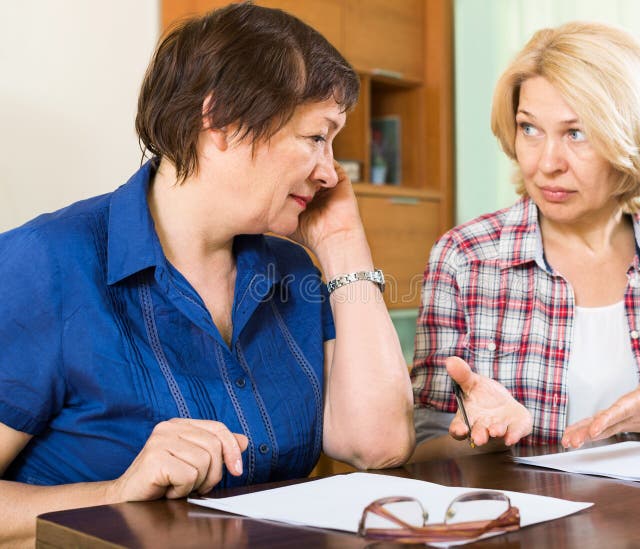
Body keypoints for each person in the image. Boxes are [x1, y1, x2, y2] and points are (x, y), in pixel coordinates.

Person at [0, 4, 414, 544]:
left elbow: (377, 444)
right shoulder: (45, 264)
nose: (331, 172)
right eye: (316, 137)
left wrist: (343, 246)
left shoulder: (291, 269)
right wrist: (114, 494)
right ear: (221, 122)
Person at [410, 21, 640, 460]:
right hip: (524, 526)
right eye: (530, 129)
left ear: (630, 140)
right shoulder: (466, 257)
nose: (547, 163)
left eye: (577, 133)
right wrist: (487, 441)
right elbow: (422, 449)